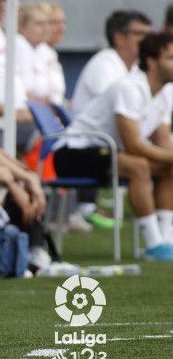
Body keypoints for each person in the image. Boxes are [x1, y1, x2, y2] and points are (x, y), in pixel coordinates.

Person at [54, 32, 173, 260]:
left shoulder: (166, 93)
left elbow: (163, 142)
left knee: (167, 167)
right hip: (72, 153)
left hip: (107, 153)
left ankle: (166, 237)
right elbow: (134, 146)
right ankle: (154, 245)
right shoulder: (129, 87)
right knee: (138, 165)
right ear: (151, 61)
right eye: (171, 57)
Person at [70, 9, 153, 112]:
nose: (147, 40)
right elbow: (117, 109)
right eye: (139, 34)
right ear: (119, 38)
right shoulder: (104, 65)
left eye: (149, 35)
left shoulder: (136, 65)